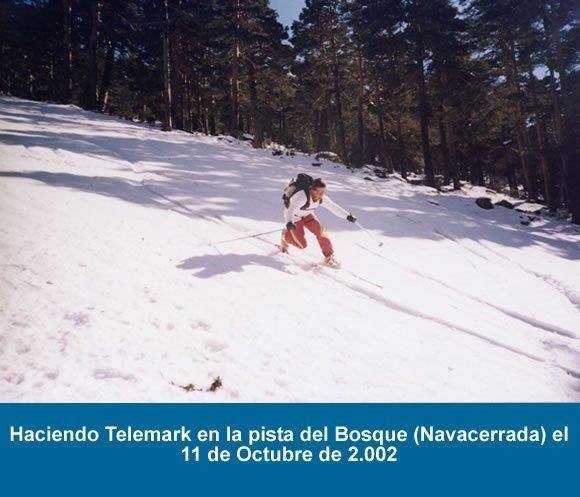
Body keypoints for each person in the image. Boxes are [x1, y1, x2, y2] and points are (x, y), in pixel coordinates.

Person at [280, 177, 356, 266]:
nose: (322, 194)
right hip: (295, 218)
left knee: (321, 233)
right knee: (302, 245)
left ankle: (329, 257)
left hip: (308, 215)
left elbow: (333, 207)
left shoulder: (321, 198)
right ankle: (285, 235)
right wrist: (289, 222)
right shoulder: (301, 197)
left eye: (324, 192)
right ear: (312, 190)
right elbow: (290, 210)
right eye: (319, 192)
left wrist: (347, 216)